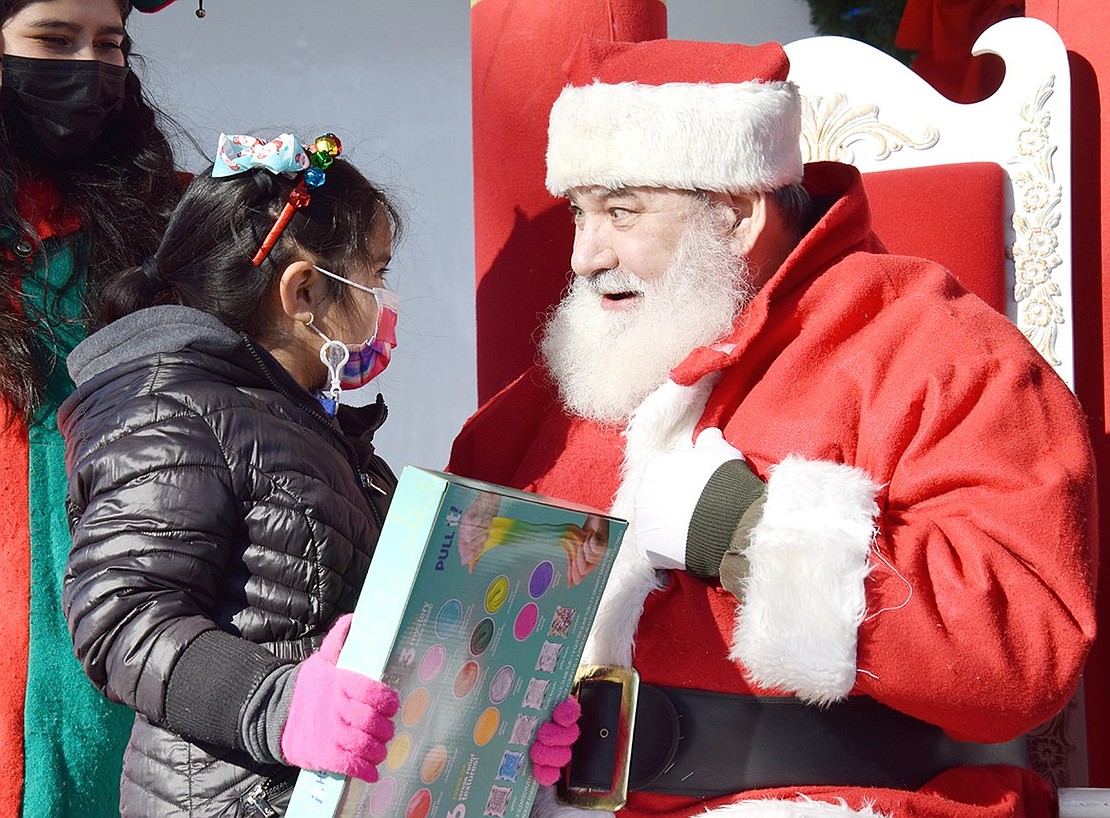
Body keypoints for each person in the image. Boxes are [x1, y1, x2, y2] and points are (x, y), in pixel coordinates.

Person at [448, 36, 1098, 818]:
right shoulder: (558, 396)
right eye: (581, 213)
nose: (585, 256)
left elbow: (1025, 655)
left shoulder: (932, 349)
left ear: (736, 216)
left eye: (621, 212)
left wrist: (750, 533)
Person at [59, 131, 405, 817]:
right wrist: (281, 705)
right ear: (303, 291)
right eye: (376, 275)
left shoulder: (307, 425)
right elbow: (120, 616)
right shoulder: (170, 410)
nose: (382, 306)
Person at [0, 0, 186, 815]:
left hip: (116, 640)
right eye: (51, 39)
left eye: (109, 44)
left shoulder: (166, 219)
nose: (88, 68)